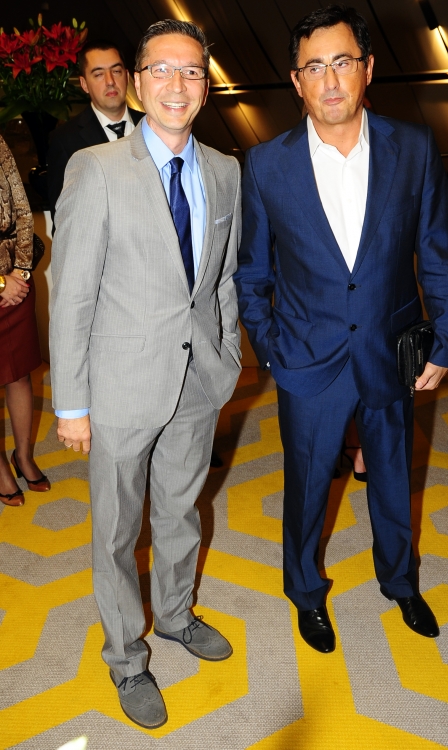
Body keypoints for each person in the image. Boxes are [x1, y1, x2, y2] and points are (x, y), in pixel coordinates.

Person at [235, 4, 448, 654]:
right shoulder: (265, 165)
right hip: (306, 358)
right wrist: (272, 351)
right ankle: (306, 592)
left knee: (393, 475)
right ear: (295, 81)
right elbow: (252, 275)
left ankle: (400, 581)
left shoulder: (413, 147)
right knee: (307, 486)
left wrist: (446, 337)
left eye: (342, 62)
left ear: (367, 69)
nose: (330, 80)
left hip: (391, 349)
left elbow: (438, 251)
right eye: (314, 67)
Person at [49, 19, 241, 728]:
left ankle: (176, 615)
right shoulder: (96, 169)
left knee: (181, 512)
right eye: (161, 69)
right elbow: (71, 294)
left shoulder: (225, 170)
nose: (176, 84)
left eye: (191, 70)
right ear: (135, 82)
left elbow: (223, 278)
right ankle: (127, 657)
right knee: (115, 529)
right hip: (121, 385)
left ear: (206, 86)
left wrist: (228, 355)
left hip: (199, 380)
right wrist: (71, 404)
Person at [0, 136, 51, 506]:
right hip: (6, 284)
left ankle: (23, 455)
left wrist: (20, 269)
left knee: (19, 374)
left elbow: (21, 206)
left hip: (18, 281)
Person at [47, 40, 144, 223]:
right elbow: (63, 220)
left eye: (116, 71)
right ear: (84, 84)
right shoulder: (65, 140)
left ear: (127, 76)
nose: (110, 81)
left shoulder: (154, 127)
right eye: (99, 74)